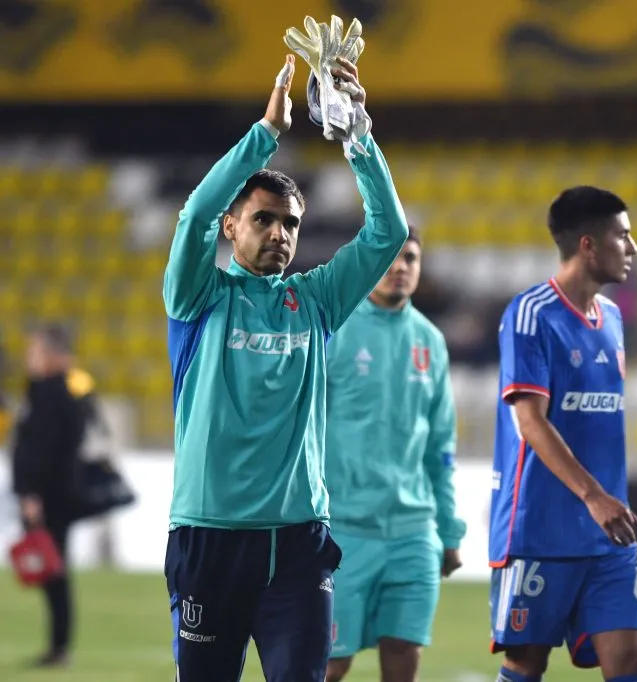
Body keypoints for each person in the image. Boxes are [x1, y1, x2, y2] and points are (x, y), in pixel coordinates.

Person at [161, 54, 408, 682]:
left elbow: (388, 232)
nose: (279, 233)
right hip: (209, 537)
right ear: (231, 227)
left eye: (290, 224)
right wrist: (265, 135)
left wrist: (358, 136)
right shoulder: (199, 297)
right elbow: (191, 217)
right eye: (263, 219)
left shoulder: (316, 301)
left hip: (298, 544)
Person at [489, 186, 637, 682]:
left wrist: (604, 503)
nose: (634, 247)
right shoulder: (532, 313)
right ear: (588, 245)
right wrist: (593, 495)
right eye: (623, 236)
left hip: (607, 535)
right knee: (527, 665)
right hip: (540, 530)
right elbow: (531, 420)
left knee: (628, 662)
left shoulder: (614, 318)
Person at [323, 226, 466, 682]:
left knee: (404, 655)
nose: (401, 267)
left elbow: (440, 445)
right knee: (329, 662)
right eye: (392, 257)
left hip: (413, 532)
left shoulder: (430, 341)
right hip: (342, 528)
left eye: (411, 258)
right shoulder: (335, 328)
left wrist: (449, 529)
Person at [10, 324, 101, 667]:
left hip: (50, 498)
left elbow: (43, 452)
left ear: (52, 355)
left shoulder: (54, 394)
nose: (29, 359)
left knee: (54, 572)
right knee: (52, 572)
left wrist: (32, 494)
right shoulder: (44, 392)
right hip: (50, 496)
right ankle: (58, 645)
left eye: (35, 352)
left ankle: (60, 646)